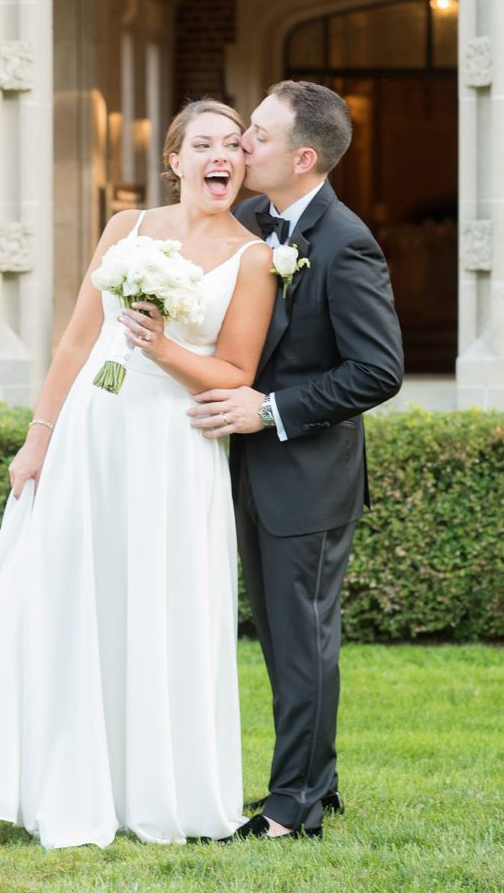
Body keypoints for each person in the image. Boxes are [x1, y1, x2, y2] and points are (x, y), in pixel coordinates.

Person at [0, 100, 276, 854]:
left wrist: (162, 346)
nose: (221, 156)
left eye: (234, 145)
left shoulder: (253, 256)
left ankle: (145, 790)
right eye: (203, 143)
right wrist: (38, 436)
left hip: (172, 453)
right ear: (173, 159)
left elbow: (235, 372)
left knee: (152, 612)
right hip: (88, 440)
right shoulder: (125, 230)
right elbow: (76, 340)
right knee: (38, 601)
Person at [189, 80, 403, 841]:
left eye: (257, 135)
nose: (241, 145)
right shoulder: (248, 219)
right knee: (281, 637)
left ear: (302, 156)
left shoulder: (346, 242)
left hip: (307, 478)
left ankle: (293, 807)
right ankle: (318, 779)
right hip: (239, 468)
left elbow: (378, 369)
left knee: (300, 635)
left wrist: (270, 409)